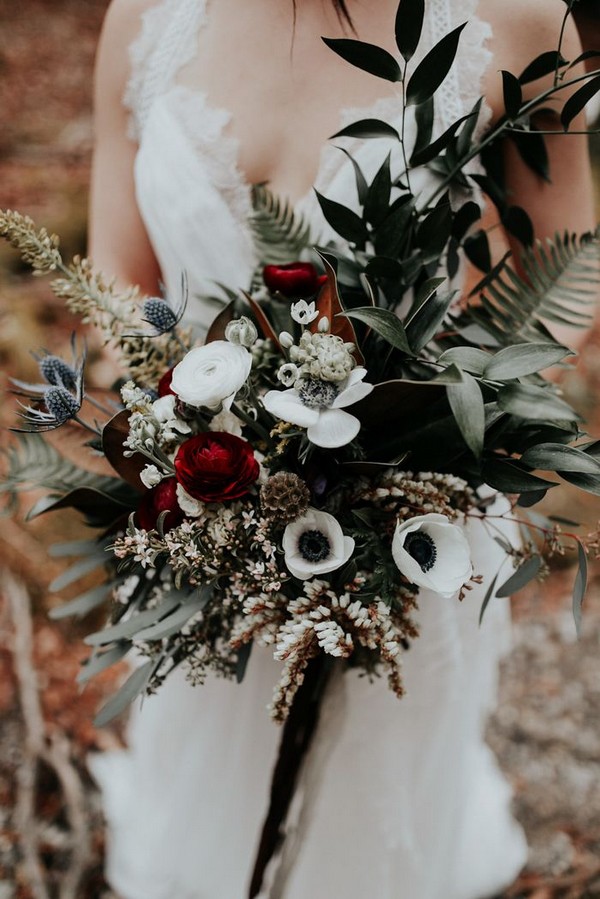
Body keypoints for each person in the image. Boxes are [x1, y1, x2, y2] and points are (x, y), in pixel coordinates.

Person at [87, 1, 595, 897]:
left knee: (379, 790)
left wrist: (429, 451)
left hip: (418, 521)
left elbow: (566, 274)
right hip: (200, 514)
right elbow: (114, 296)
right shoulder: (141, 18)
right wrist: (202, 457)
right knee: (210, 761)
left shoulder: (520, 18)